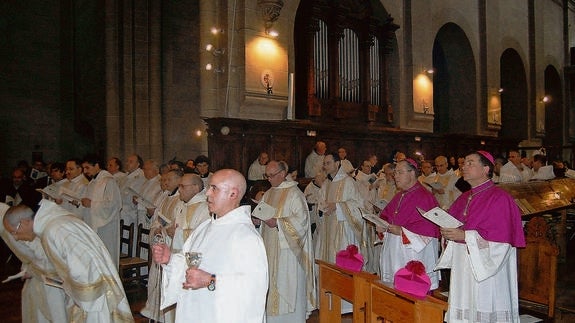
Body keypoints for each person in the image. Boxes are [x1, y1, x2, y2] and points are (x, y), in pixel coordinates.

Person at [152, 169, 268, 323]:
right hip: (196, 312)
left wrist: (210, 280)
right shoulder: (204, 228)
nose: (207, 193)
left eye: (214, 188)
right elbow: (190, 263)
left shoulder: (246, 236)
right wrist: (171, 260)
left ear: (233, 194)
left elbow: (254, 285)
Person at [3, 201, 134, 322]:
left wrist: (81, 300)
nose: (16, 238)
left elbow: (84, 266)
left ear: (24, 222)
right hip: (89, 292)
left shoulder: (56, 230)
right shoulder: (54, 224)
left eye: (14, 232)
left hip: (94, 299)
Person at [436, 151, 526, 322]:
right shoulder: (463, 198)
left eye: (470, 163)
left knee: (485, 304)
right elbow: (454, 226)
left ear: (486, 169)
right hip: (463, 265)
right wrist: (446, 233)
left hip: (486, 268)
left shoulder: (500, 198)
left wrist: (464, 235)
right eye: (464, 163)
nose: (464, 166)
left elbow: (501, 243)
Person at [253, 161, 316, 322]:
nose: (268, 179)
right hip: (270, 249)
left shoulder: (295, 194)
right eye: (266, 175)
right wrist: (258, 222)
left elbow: (301, 222)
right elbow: (263, 215)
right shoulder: (268, 194)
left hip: (288, 253)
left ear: (282, 174)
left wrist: (278, 223)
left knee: (286, 287)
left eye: (271, 175)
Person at [375, 159, 440, 289]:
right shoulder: (399, 196)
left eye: (400, 172)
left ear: (412, 174)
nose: (395, 176)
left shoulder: (424, 196)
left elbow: (430, 229)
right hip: (395, 252)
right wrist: (381, 226)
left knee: (412, 290)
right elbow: (386, 216)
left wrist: (402, 232)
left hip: (413, 254)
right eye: (395, 173)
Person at [0, 202, 68, 323]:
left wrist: (32, 270)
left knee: (56, 311)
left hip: (51, 278)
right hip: (38, 273)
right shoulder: (9, 224)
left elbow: (43, 253)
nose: (15, 237)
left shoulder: (12, 224)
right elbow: (26, 253)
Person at [81, 154, 123, 268]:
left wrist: (91, 204)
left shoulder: (108, 181)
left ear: (97, 165)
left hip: (106, 226)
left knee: (106, 256)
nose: (85, 171)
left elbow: (114, 204)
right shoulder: (93, 182)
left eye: (87, 167)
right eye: (84, 168)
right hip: (93, 223)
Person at [119, 154, 146, 226]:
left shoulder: (141, 176)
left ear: (138, 164)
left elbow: (135, 195)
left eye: (131, 162)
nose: (127, 163)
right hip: (121, 211)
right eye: (127, 161)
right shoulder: (125, 176)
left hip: (131, 213)